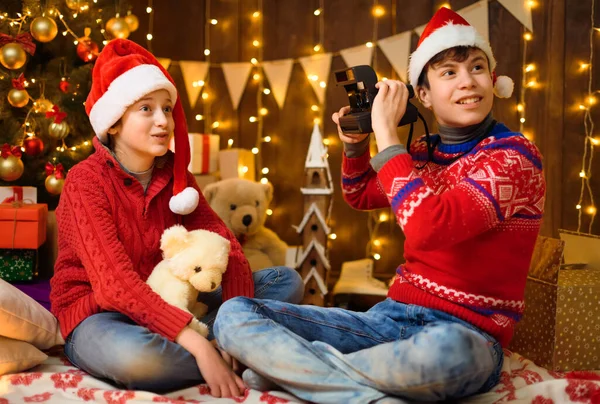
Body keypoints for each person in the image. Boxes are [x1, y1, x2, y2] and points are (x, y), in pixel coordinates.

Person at [213, 7, 545, 403]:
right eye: (449, 72)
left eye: (477, 67)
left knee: (451, 354)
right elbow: (361, 194)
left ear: (494, 81)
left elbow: (429, 228)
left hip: (466, 335)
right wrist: (357, 145)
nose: (468, 82)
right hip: (389, 320)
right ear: (422, 94)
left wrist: (387, 136)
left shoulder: (514, 156)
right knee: (233, 315)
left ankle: (296, 371)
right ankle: (350, 386)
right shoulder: (423, 150)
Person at [49, 39, 304, 398]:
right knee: (138, 360)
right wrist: (201, 346)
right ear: (115, 122)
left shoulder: (174, 175)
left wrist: (232, 326)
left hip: (174, 296)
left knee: (284, 280)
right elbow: (115, 286)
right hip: (102, 314)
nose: (162, 121)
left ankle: (228, 346)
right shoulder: (85, 181)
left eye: (167, 109)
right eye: (146, 109)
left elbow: (226, 246)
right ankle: (234, 354)